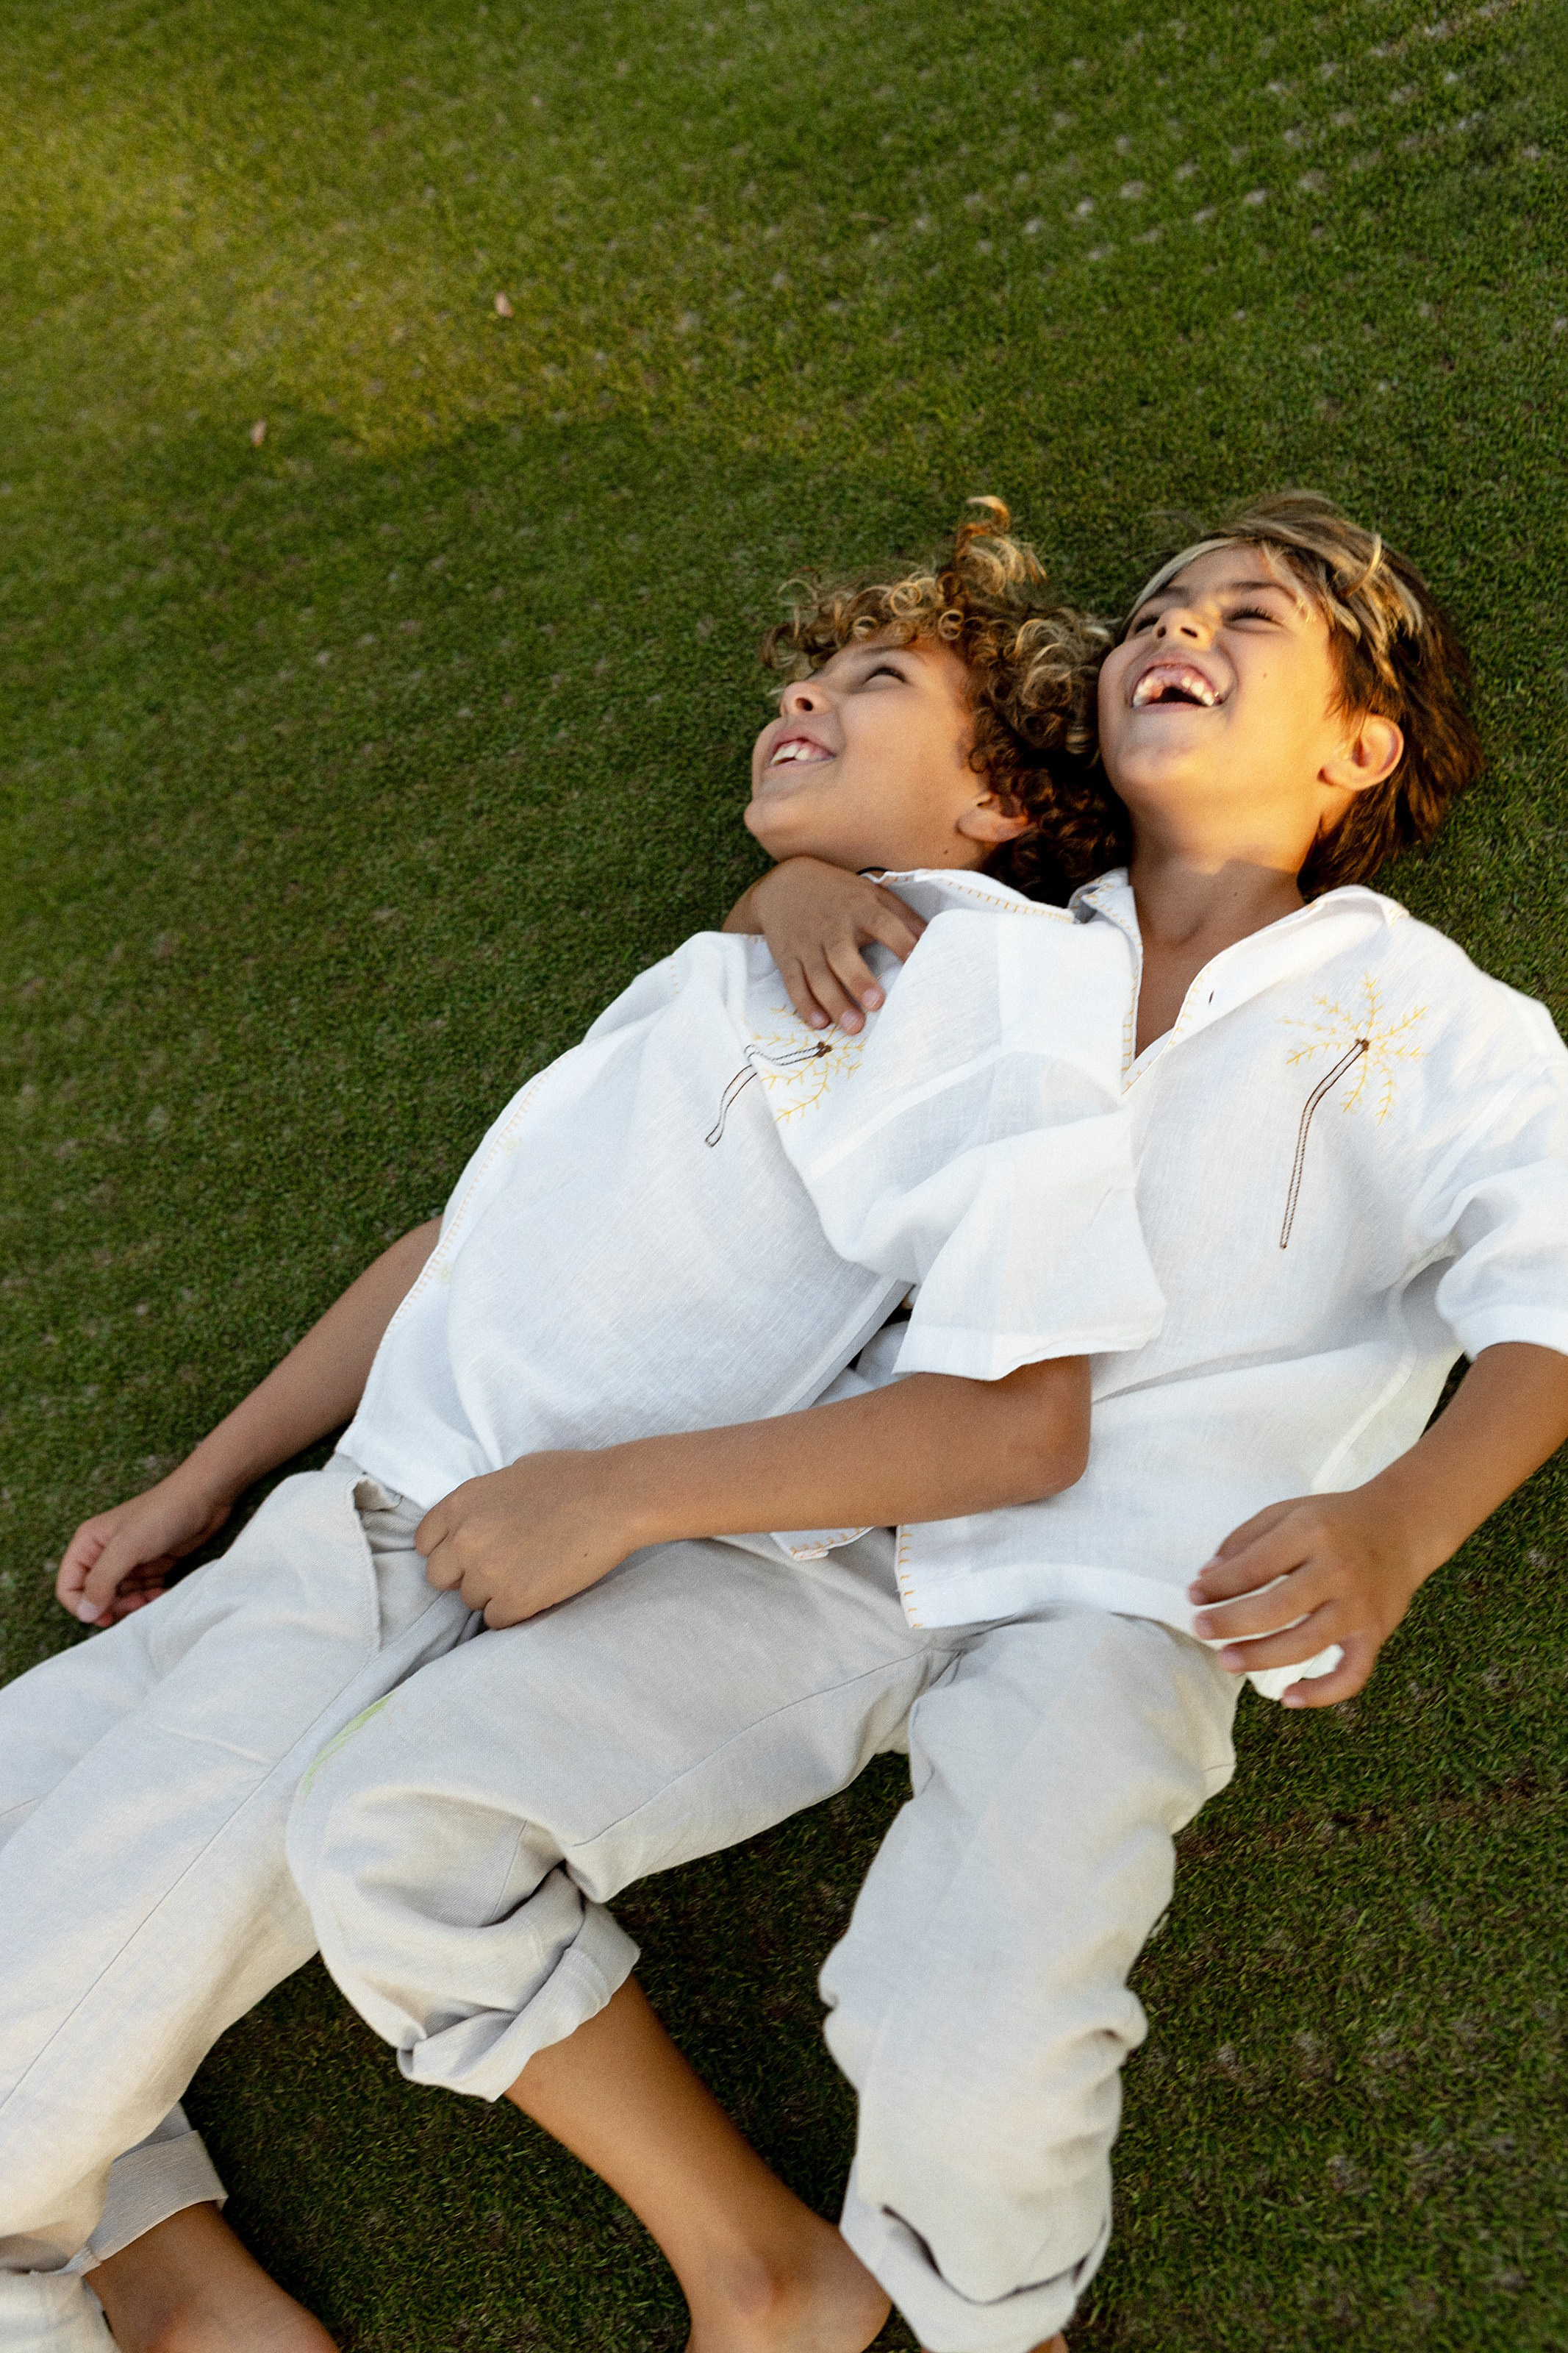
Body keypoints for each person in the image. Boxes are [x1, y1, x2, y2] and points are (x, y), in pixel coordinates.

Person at [286, 493, 1568, 2353]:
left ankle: (998, 2329)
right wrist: (783, 889)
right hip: (828, 1540)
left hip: (1131, 1604)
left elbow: (1546, 1298)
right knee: (389, 1825)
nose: (1175, 628)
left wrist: (1399, 1522)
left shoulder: (1431, 1017)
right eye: (1155, 607)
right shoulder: (992, 943)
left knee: (959, 2027)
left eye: (1245, 618)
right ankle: (760, 2264)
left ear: (1354, 749)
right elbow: (786, 992)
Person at [0, 510, 1172, 2353]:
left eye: (876, 683)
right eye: (810, 670)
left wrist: (606, 1502)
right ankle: (157, 2281)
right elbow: (461, 1246)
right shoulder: (733, 969)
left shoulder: (993, 977)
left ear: (1004, 807)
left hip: (424, 1589)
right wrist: (209, 1476)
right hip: (321, 1536)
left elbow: (1023, 1420)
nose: (803, 690)